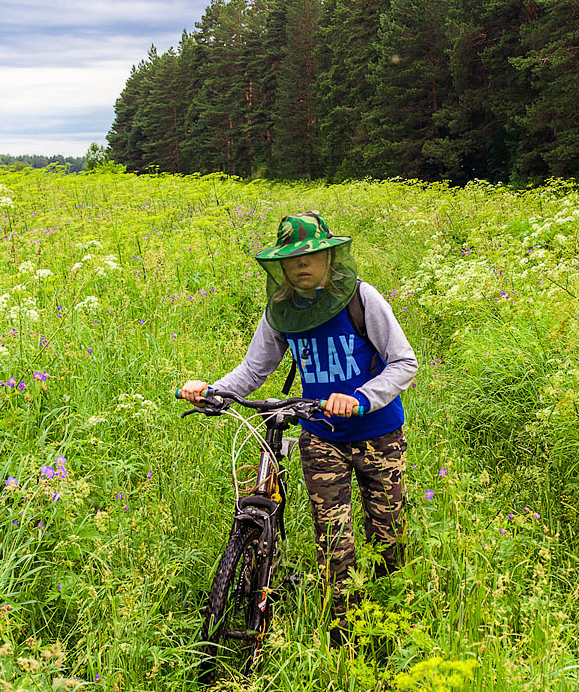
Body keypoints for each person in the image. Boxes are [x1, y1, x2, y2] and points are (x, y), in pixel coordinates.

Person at [178, 211, 418, 644]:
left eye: (311, 257)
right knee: (334, 543)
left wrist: (362, 397)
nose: (302, 266)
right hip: (321, 436)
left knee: (388, 536)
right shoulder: (281, 312)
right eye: (292, 260)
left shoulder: (361, 299)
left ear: (329, 258)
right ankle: (346, 638)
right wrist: (211, 389)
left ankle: (394, 627)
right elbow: (254, 370)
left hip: (379, 435)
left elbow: (404, 362)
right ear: (282, 265)